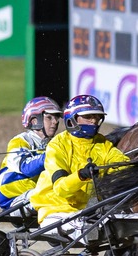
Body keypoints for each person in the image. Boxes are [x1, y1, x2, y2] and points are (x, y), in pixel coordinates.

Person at [26, 94, 128, 231]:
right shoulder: (57, 145)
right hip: (56, 209)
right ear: (72, 119)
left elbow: (123, 166)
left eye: (97, 117)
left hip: (88, 211)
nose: (94, 121)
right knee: (90, 229)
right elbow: (61, 189)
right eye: (88, 117)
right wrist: (81, 175)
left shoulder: (103, 144)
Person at [0, 97, 62, 212]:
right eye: (49, 117)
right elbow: (26, 168)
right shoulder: (20, 141)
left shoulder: (53, 144)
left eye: (56, 117)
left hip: (38, 193)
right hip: (15, 200)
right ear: (34, 120)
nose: (55, 121)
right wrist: (50, 155)